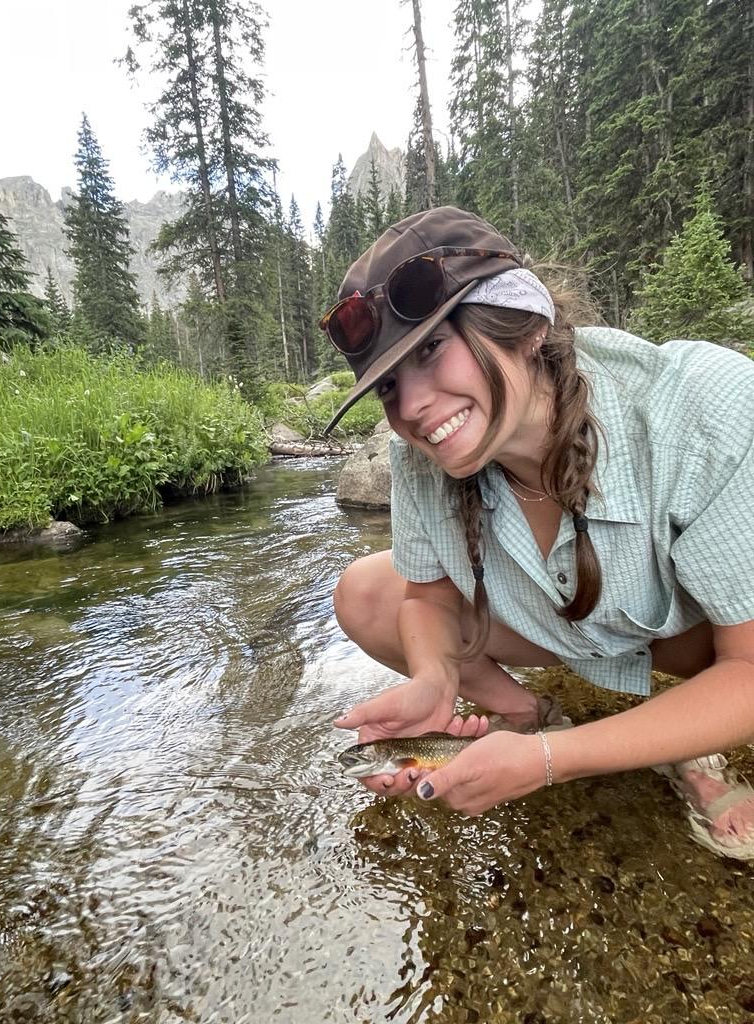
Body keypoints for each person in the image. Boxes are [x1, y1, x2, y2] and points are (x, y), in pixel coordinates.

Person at [321, 205, 754, 861]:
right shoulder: (418, 458)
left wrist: (553, 761)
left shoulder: (702, 407)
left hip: (688, 639)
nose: (410, 408)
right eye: (387, 386)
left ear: (524, 325)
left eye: (432, 349)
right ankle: (528, 716)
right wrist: (436, 678)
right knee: (365, 592)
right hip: (558, 627)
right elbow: (428, 597)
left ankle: (690, 745)